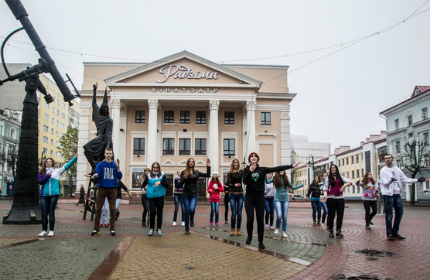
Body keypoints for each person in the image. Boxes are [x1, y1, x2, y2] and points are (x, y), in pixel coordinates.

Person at [242, 152, 300, 249]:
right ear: (249, 159)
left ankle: (260, 241)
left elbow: (276, 168)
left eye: (255, 156)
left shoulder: (262, 170)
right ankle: (249, 237)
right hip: (249, 197)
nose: (253, 158)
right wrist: (250, 171)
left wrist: (291, 166)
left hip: (260, 197)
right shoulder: (246, 170)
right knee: (250, 218)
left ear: (257, 159)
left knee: (260, 219)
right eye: (251, 157)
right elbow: (245, 181)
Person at [380, 154, 428, 240]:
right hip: (388, 195)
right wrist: (391, 180)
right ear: (384, 160)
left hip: (397, 194)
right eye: (386, 158)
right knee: (389, 215)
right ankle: (389, 233)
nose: (388, 160)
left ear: (392, 159)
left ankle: (395, 232)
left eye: (389, 158)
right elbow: (384, 183)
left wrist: (417, 180)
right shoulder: (383, 170)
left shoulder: (397, 170)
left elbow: (405, 179)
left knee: (399, 213)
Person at [38, 152, 78, 237]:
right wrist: (47, 175)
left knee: (51, 212)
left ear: (53, 163)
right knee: (44, 213)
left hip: (54, 195)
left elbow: (66, 166)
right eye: (47, 161)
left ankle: (51, 230)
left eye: (50, 161)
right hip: (44, 195)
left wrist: (75, 158)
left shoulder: (57, 171)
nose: (48, 163)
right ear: (45, 163)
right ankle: (44, 230)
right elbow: (40, 181)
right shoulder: (41, 172)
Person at [90, 147, 122, 236]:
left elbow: (119, 176)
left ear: (112, 155)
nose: (108, 155)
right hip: (102, 189)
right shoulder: (100, 164)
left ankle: (112, 229)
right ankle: (96, 229)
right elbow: (98, 174)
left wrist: (118, 167)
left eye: (110, 153)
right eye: (107, 153)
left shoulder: (114, 165)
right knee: (98, 209)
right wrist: (96, 175)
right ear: (104, 154)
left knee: (112, 209)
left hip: (112, 189)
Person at [83, 84, 113, 173]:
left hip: (104, 140)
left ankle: (95, 167)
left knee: (87, 148)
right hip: (99, 138)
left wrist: (107, 147)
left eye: (106, 108)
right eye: (103, 108)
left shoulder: (109, 120)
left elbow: (109, 134)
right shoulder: (98, 116)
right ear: (101, 109)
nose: (105, 109)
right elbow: (94, 104)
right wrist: (94, 91)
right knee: (86, 148)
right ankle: (94, 166)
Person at [179, 158, 211, 235]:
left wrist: (208, 167)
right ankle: (187, 229)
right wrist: (184, 178)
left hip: (194, 194)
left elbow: (207, 175)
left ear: (194, 163)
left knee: (192, 209)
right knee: (186, 211)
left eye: (192, 161)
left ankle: (192, 219)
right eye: (190, 161)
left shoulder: (196, 172)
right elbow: (180, 184)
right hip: (186, 194)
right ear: (188, 163)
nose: (191, 162)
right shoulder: (184, 172)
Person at [322, 164, 352, 238]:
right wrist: (325, 195)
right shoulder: (328, 178)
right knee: (331, 215)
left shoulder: (340, 177)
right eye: (331, 168)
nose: (333, 169)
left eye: (334, 168)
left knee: (340, 215)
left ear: (336, 169)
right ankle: (331, 231)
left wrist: (344, 186)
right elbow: (325, 188)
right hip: (331, 199)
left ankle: (338, 231)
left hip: (340, 199)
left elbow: (350, 182)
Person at [271, 170, 304, 238]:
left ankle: (284, 231)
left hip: (285, 199)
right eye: (281, 170)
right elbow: (267, 181)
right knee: (279, 215)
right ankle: (277, 228)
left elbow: (293, 187)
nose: (282, 171)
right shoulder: (275, 179)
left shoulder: (286, 179)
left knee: (285, 216)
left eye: (283, 170)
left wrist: (301, 185)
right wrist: (265, 175)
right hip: (277, 199)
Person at [141, 162, 168, 236]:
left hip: (160, 197)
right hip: (151, 197)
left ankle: (159, 228)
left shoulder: (162, 175)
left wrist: (160, 182)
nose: (155, 169)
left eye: (157, 168)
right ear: (152, 168)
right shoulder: (149, 176)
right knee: (152, 213)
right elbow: (143, 184)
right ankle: (151, 229)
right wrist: (143, 189)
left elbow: (167, 185)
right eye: (154, 167)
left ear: (159, 168)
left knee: (159, 213)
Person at [226, 158, 244, 236]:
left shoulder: (241, 172)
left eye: (237, 163)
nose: (236, 164)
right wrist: (234, 185)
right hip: (232, 193)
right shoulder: (229, 173)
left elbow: (245, 179)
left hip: (240, 193)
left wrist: (246, 169)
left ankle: (239, 229)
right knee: (233, 213)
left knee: (239, 213)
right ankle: (232, 229)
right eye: (234, 163)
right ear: (232, 164)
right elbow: (227, 184)